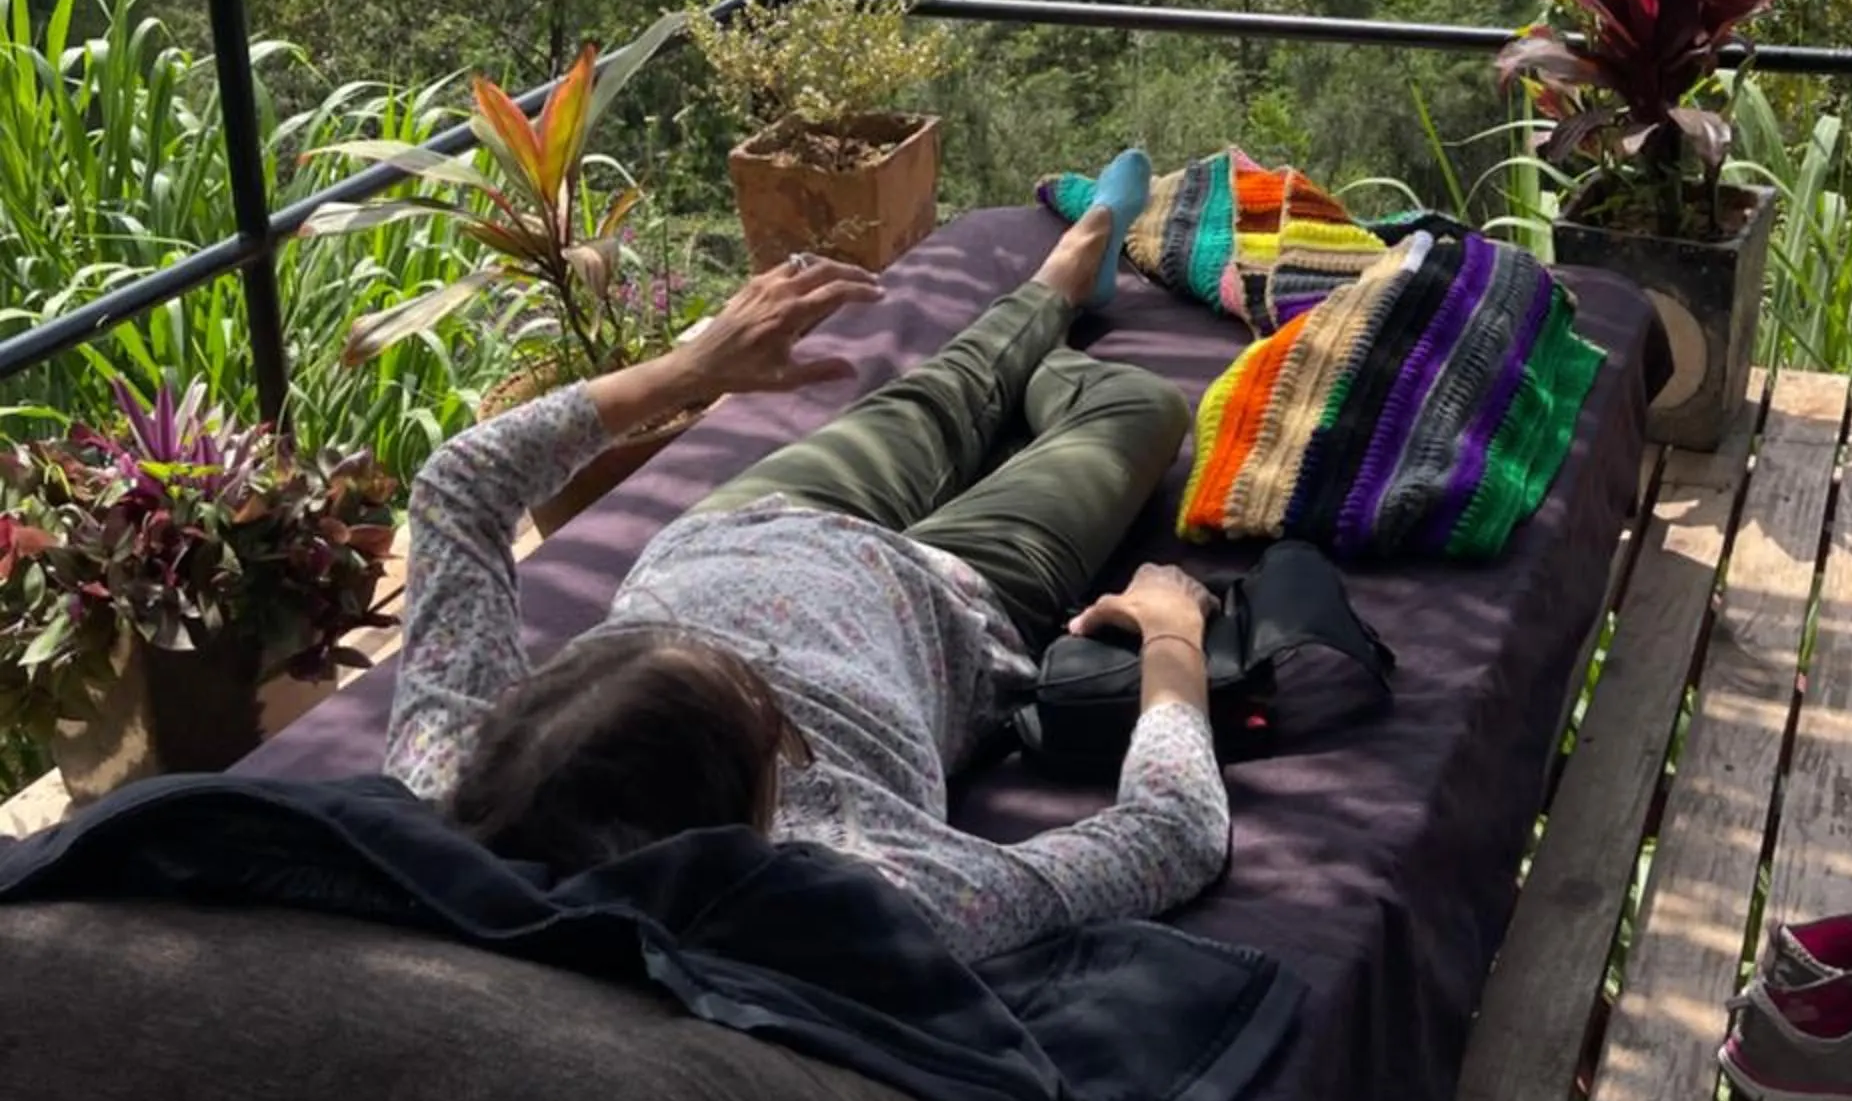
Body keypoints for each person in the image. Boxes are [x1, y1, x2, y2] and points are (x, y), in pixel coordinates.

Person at [384, 150, 1233, 960]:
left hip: (750, 525)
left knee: (947, 386)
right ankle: (1037, 361)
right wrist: (1171, 638)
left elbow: (458, 483)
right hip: (952, 604)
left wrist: (690, 369)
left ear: (515, 713)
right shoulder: (870, 893)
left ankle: (1061, 281)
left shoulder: (452, 779)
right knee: (1139, 406)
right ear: (759, 808)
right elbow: (1172, 837)